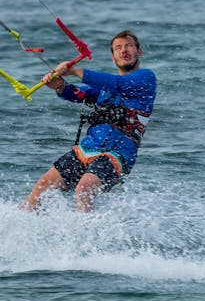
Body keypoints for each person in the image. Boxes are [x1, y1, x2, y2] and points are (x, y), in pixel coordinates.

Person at [20, 29, 156, 212]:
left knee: (84, 188)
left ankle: (86, 238)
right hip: (87, 149)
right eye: (118, 48)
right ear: (113, 57)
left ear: (139, 52)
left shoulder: (146, 78)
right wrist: (59, 86)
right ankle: (10, 231)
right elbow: (78, 94)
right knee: (41, 188)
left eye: (129, 46)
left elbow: (118, 83)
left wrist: (74, 70)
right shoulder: (103, 89)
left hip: (117, 154)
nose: (124, 50)